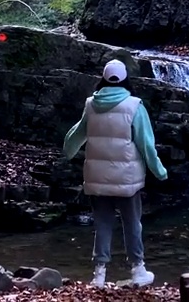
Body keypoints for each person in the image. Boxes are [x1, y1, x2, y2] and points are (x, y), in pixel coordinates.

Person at [63, 59, 168, 288]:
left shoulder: (91, 104)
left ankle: (99, 275)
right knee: (132, 224)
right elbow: (146, 145)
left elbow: (77, 134)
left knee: (102, 224)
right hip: (126, 180)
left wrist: (68, 151)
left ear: (103, 78)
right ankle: (138, 270)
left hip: (97, 179)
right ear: (125, 79)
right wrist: (159, 171)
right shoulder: (134, 106)